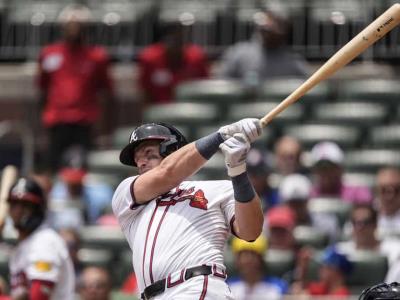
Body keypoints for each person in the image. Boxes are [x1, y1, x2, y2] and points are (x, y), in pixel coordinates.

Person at [112, 119, 264, 299]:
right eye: (137, 159)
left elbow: (250, 231)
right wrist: (220, 136)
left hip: (196, 285)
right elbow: (167, 174)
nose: (141, 163)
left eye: (149, 154)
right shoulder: (126, 195)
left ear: (173, 151)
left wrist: (238, 171)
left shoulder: (218, 189)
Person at [37, 4, 115, 173]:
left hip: (85, 122)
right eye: (70, 25)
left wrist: (104, 128)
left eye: (78, 26)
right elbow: (42, 91)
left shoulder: (97, 57)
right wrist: (42, 123)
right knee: (51, 168)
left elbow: (106, 93)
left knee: (83, 170)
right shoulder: (49, 54)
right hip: (56, 121)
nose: (74, 30)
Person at [6, 177, 75, 299]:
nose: (18, 211)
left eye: (25, 205)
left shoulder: (45, 242)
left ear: (38, 208)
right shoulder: (24, 245)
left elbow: (39, 297)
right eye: (14, 204)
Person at [218, 10, 309, 87]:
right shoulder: (238, 53)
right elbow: (223, 87)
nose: (270, 29)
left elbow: (308, 89)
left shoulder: (294, 62)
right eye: (267, 26)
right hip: (246, 105)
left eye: (277, 25)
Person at [137, 17, 209, 104]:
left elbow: (204, 89)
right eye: (171, 39)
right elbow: (145, 91)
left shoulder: (197, 57)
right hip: (160, 110)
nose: (175, 43)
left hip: (190, 110)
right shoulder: (149, 58)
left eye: (179, 39)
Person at [279, 174, 339, 242]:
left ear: (307, 201)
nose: (296, 208)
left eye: (300, 203)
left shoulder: (326, 224)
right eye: (292, 204)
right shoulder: (274, 225)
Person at [375, 167, 400, 237]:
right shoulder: (364, 215)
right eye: (384, 189)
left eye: (396, 190)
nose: (390, 196)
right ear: (376, 190)